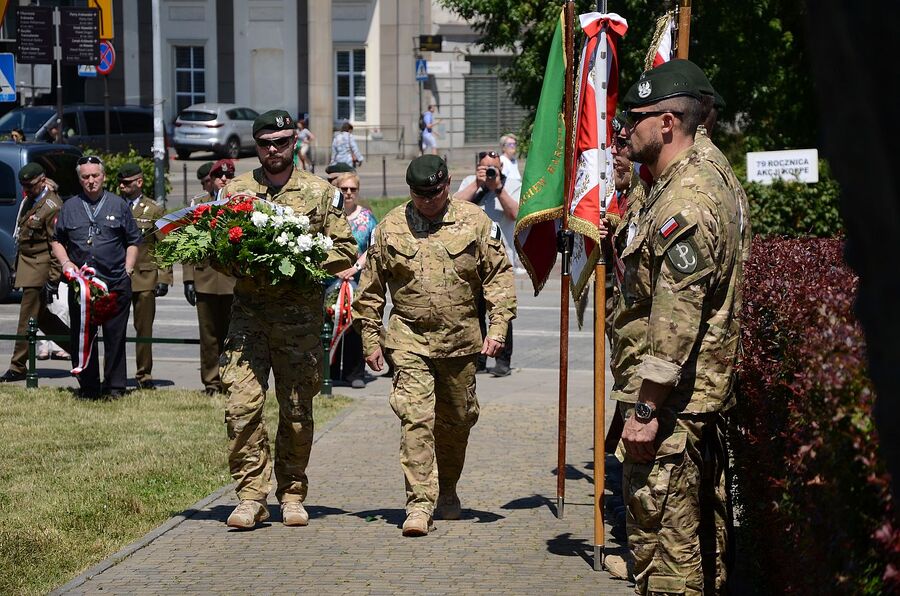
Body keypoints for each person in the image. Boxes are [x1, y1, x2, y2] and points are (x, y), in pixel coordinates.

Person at [613, 60, 745, 593]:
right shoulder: (706, 169)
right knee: (699, 551)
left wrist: (645, 410)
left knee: (666, 561)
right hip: (693, 405)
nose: (625, 130)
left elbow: (676, 321)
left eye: (635, 117)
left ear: (667, 123)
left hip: (671, 411)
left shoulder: (686, 199)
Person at [353, 155, 517, 536]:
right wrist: (370, 339)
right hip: (409, 340)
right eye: (420, 194)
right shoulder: (391, 227)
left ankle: (447, 490)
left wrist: (499, 329)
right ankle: (418, 504)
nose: (428, 200)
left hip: (461, 343)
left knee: (457, 422)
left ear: (446, 185)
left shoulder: (475, 221)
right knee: (416, 418)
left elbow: (498, 278)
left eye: (435, 193)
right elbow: (371, 291)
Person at [218, 109, 356, 529]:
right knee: (241, 408)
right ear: (255, 146)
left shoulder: (319, 192)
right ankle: (250, 496)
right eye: (265, 143)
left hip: (298, 323)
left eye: (281, 142)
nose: (273, 150)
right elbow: (218, 249)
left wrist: (299, 260)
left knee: (296, 412)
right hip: (249, 321)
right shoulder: (237, 190)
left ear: (295, 142)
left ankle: (292, 492)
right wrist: (238, 260)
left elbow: (346, 249)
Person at [50, 156, 141, 398]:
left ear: (103, 176)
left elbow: (133, 241)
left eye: (95, 176)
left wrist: (128, 268)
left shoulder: (118, 205)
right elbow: (57, 240)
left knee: (115, 337)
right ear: (79, 180)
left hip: (114, 283)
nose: (91, 181)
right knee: (83, 337)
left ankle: (115, 387)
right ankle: (89, 388)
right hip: (82, 287)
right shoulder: (68, 207)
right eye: (85, 177)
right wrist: (66, 262)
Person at [453, 150, 522, 376]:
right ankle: (479, 358)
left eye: (494, 168)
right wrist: (477, 184)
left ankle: (503, 360)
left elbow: (515, 213)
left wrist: (498, 188)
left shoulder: (511, 184)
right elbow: (452, 208)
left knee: (501, 311)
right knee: (474, 312)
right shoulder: (469, 183)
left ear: (501, 168)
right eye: (485, 168)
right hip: (470, 260)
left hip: (500, 260)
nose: (491, 172)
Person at [0, 164, 71, 382]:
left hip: (40, 269)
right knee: (42, 318)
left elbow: (56, 244)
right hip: (28, 265)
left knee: (26, 317)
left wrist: (53, 278)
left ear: (42, 181)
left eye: (30, 186)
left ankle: (18, 366)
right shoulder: (31, 201)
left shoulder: (52, 206)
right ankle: (78, 347)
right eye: (24, 186)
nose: (26, 190)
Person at [117, 163, 172, 390]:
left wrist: (164, 277)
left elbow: (165, 245)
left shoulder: (154, 210)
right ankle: (115, 374)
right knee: (115, 329)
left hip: (145, 277)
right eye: (120, 182)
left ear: (139, 182)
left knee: (144, 329)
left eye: (126, 183)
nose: (122, 186)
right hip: (118, 277)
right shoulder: (115, 206)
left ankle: (144, 375)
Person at [183, 161, 235, 396]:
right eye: (218, 176)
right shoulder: (199, 205)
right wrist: (188, 279)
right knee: (208, 336)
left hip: (232, 280)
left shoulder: (239, 205)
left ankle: (231, 380)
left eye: (228, 176)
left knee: (233, 336)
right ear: (211, 180)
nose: (223, 180)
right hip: (204, 277)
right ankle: (211, 382)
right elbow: (186, 243)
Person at [328, 171, 377, 389]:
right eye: (344, 189)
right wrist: (334, 267)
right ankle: (329, 370)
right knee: (331, 321)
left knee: (355, 324)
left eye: (352, 189)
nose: (348, 193)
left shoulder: (366, 217)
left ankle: (354, 372)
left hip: (357, 280)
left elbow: (374, 245)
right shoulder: (329, 215)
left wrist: (355, 267)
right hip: (330, 280)